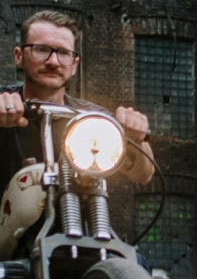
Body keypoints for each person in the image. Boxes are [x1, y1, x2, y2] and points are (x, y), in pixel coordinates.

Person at [0, 10, 155, 187]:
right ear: (19, 56)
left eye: (64, 53)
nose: (53, 62)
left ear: (74, 65)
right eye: (41, 50)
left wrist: (136, 138)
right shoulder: (3, 103)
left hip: (75, 213)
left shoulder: (93, 119)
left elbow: (143, 175)